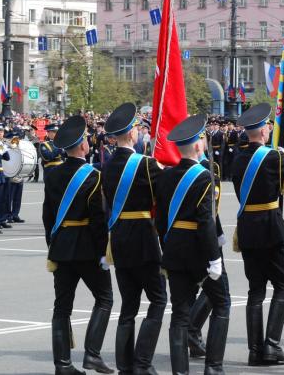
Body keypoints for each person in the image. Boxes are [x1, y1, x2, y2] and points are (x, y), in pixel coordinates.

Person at [231, 103, 284, 366]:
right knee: (282, 285)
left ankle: (255, 351)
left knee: (256, 290)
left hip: (247, 228)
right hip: (269, 227)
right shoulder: (274, 158)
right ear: (264, 131)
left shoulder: (238, 158)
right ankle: (272, 345)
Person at [156, 114, 230, 375]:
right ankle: (214, 367)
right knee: (221, 304)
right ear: (199, 146)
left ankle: (180, 372)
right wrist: (214, 258)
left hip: (175, 248)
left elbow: (161, 222)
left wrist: (169, 246)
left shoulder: (165, 176)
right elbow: (205, 222)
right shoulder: (204, 177)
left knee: (179, 314)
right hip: (200, 251)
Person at [43, 116, 114, 375]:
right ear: (83, 146)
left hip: (61, 247)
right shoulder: (93, 177)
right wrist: (103, 252)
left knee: (62, 307)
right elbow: (98, 220)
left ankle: (62, 364)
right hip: (86, 247)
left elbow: (47, 216)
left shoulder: (52, 174)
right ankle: (92, 355)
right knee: (105, 298)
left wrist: (54, 243)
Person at [101, 103, 166, 375]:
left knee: (128, 305)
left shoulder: (106, 164)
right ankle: (143, 362)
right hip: (143, 237)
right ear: (133, 133)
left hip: (118, 238)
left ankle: (125, 365)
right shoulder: (146, 164)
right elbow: (166, 191)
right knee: (158, 299)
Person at [187, 150, 227, 359]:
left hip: (182, 240)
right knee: (218, 292)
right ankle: (192, 332)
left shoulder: (176, 168)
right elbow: (208, 213)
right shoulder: (207, 169)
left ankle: (191, 334)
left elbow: (214, 209)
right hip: (203, 238)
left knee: (197, 290)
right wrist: (216, 236)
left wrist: (219, 232)